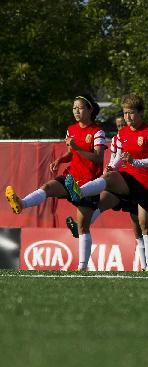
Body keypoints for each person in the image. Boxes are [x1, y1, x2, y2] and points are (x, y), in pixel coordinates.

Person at [5, 95, 107, 270]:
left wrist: (76, 148)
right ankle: (21, 203)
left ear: (90, 110)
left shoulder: (98, 132)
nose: (76, 111)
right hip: (70, 178)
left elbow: (98, 159)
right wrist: (60, 160)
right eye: (74, 108)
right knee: (48, 187)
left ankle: (82, 268)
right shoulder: (71, 129)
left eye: (80, 108)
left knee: (82, 227)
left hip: (87, 185)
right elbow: (71, 153)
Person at [65, 94, 148, 271]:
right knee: (108, 179)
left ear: (141, 113)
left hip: (147, 184)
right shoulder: (121, 134)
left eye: (131, 113)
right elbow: (116, 159)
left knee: (144, 226)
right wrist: (110, 167)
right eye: (125, 113)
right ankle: (80, 191)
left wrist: (135, 162)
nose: (127, 117)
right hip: (126, 181)